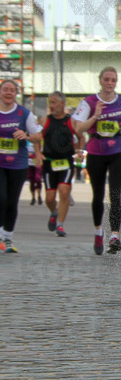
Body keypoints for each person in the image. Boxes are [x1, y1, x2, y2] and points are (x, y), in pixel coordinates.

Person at [72, 66, 121, 255]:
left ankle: (115, 235)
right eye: (106, 79)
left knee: (115, 194)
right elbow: (79, 128)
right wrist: (96, 116)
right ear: (100, 80)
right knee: (97, 195)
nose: (110, 83)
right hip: (96, 151)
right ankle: (98, 231)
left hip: (118, 151)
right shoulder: (89, 102)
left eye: (113, 80)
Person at [0, 79, 43, 253]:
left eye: (12, 90)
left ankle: (8, 238)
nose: (9, 93)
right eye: (5, 89)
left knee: (11, 202)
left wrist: (25, 135)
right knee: (0, 198)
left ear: (16, 93)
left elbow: (39, 135)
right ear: (0, 92)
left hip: (18, 164)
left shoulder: (24, 114)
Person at [41, 91, 85, 237]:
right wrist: (37, 153)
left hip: (66, 162)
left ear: (62, 103)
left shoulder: (71, 121)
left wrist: (80, 150)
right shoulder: (44, 121)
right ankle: (54, 212)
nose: (51, 105)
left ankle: (60, 225)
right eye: (50, 102)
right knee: (49, 198)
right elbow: (35, 136)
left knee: (64, 192)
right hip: (49, 163)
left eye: (54, 102)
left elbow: (81, 137)